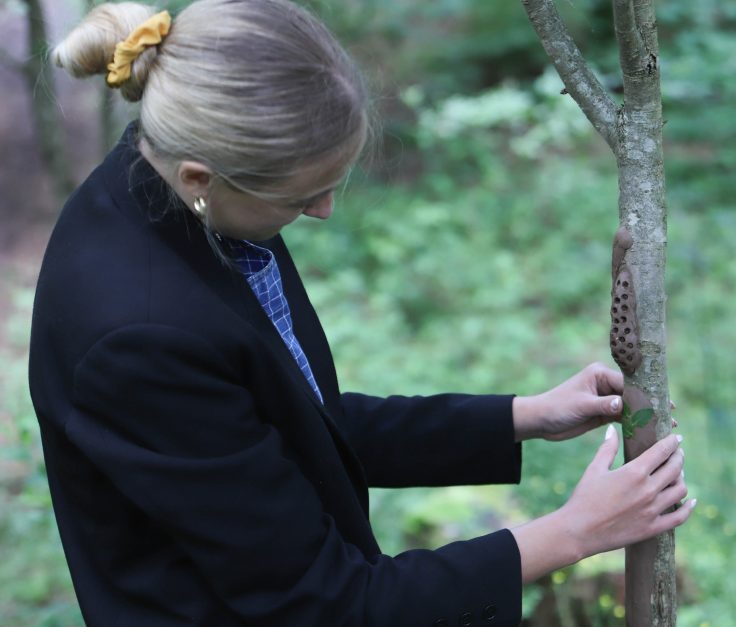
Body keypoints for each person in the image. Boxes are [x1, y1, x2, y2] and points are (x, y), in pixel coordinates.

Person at [28, 1, 694, 625]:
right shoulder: (138, 337)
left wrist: (520, 416)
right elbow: (327, 601)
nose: (322, 211)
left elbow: (294, 419)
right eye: (304, 195)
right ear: (203, 176)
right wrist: (572, 531)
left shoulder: (188, 193)